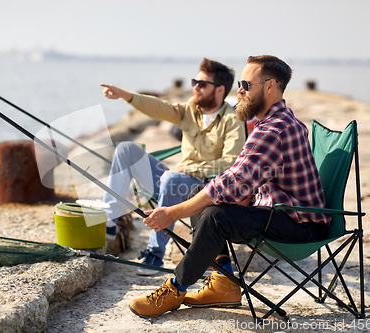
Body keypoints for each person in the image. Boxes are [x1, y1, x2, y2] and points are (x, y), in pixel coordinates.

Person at [129, 55, 331, 318]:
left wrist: (172, 213)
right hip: (285, 213)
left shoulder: (274, 130)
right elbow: (239, 180)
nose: (240, 91)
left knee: (215, 216)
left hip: (300, 226)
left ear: (270, 87)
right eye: (240, 84)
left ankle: (176, 288)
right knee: (199, 196)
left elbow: (232, 182)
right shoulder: (276, 120)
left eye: (246, 85)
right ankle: (223, 282)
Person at [100, 58, 246, 271]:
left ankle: (154, 254)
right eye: (195, 81)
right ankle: (110, 221)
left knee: (170, 177)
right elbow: (160, 108)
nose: (195, 87)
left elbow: (230, 164)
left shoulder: (232, 120)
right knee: (125, 149)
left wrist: (188, 169)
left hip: (202, 193)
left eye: (202, 84)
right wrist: (126, 95)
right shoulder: (190, 109)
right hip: (174, 183)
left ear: (219, 90)